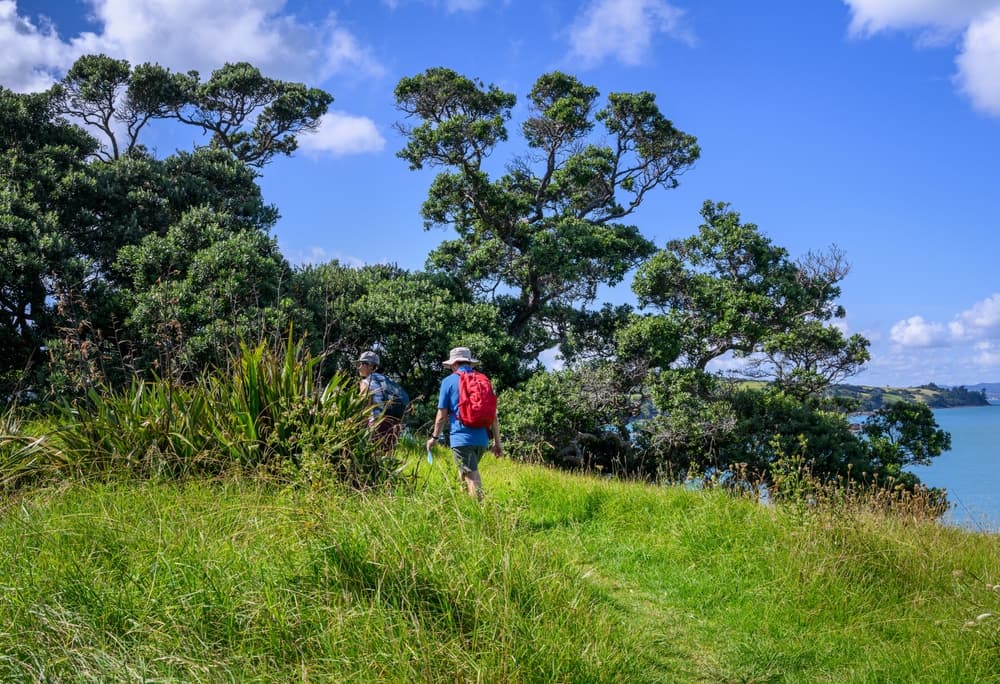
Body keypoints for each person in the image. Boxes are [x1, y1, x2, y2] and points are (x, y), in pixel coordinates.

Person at [425, 347, 502, 500]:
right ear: (469, 363)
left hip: (461, 438)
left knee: (472, 477)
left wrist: (434, 437)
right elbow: (493, 415)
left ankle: (479, 516)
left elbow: (441, 415)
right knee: (464, 474)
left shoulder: (448, 382)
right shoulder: (483, 380)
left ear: (453, 364)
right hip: (482, 439)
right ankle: (463, 509)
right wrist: (497, 443)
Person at [357, 350, 403, 452]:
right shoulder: (387, 381)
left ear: (370, 365)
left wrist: (359, 429)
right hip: (393, 426)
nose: (359, 367)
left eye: (361, 364)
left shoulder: (366, 382)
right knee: (387, 463)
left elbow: (365, 409)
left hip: (377, 425)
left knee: (374, 461)